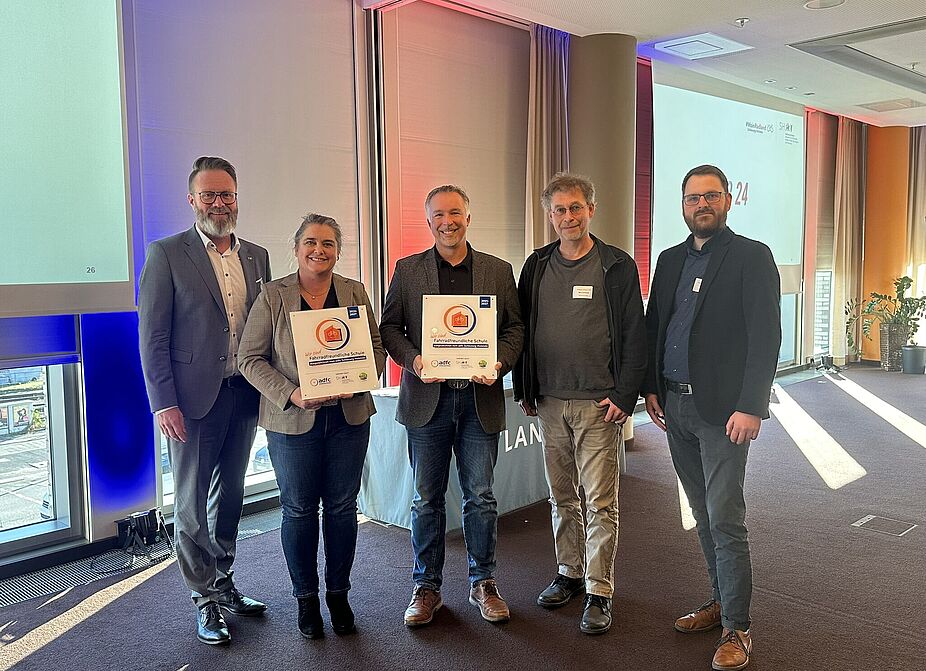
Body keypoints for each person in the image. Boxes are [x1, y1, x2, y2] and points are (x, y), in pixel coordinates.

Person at [643, 165, 780, 670]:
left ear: (727, 201)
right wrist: (651, 387)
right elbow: (658, 325)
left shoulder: (751, 257)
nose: (701, 204)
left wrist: (752, 404)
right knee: (702, 513)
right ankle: (720, 600)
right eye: (692, 197)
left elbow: (765, 335)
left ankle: (738, 628)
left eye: (711, 196)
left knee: (725, 517)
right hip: (674, 405)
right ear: (682, 205)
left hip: (725, 410)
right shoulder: (669, 259)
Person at [138, 156, 271, 645]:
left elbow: (267, 328)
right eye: (209, 195)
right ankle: (204, 599)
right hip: (192, 400)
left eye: (227, 194)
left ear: (237, 198)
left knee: (230, 497)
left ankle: (224, 581)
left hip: (243, 393)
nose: (219, 203)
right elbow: (151, 336)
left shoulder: (256, 256)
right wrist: (162, 402)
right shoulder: (167, 254)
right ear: (191, 199)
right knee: (191, 504)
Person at [379, 185, 523, 627]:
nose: (448, 221)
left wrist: (499, 362)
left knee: (480, 497)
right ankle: (426, 588)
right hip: (428, 402)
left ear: (468, 216)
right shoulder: (408, 270)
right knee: (426, 499)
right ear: (429, 222)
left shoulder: (498, 271)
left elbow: (515, 328)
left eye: (455, 213)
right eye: (438, 215)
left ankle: (483, 582)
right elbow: (390, 328)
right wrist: (415, 360)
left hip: (479, 399)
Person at [238, 213, 386, 639]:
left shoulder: (354, 291)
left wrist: (360, 377)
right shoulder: (273, 295)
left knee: (342, 508)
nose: (319, 250)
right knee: (299, 510)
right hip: (292, 420)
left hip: (349, 417)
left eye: (328, 243)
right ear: (296, 247)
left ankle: (338, 594)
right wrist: (292, 393)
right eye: (310, 242)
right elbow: (249, 359)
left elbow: (375, 348)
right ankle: (306, 600)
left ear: (337, 251)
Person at [513, 172, 646, 635]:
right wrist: (525, 388)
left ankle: (599, 589)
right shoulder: (536, 265)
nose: (567, 217)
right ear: (549, 216)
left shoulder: (616, 265)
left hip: (597, 403)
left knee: (601, 501)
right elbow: (522, 330)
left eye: (575, 208)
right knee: (561, 497)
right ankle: (568, 573)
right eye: (558, 210)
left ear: (591, 209)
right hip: (549, 401)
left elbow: (635, 335)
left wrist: (624, 395)